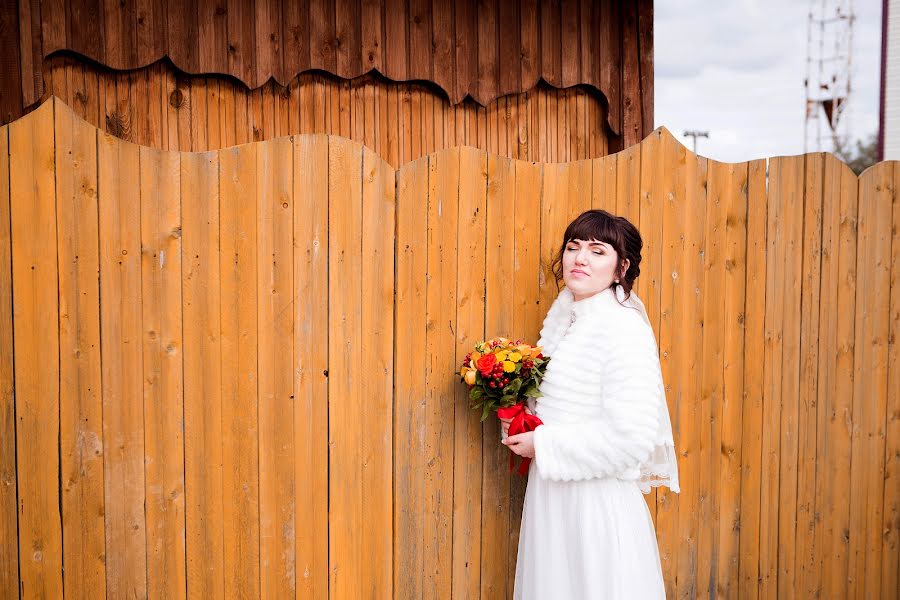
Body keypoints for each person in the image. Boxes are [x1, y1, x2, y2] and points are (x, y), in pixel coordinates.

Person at [500, 209, 680, 599]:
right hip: (553, 500)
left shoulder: (622, 328)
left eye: (598, 250)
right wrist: (518, 419)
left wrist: (543, 446)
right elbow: (562, 408)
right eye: (573, 246)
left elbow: (630, 439)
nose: (580, 258)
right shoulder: (565, 317)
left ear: (621, 268)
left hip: (594, 509)